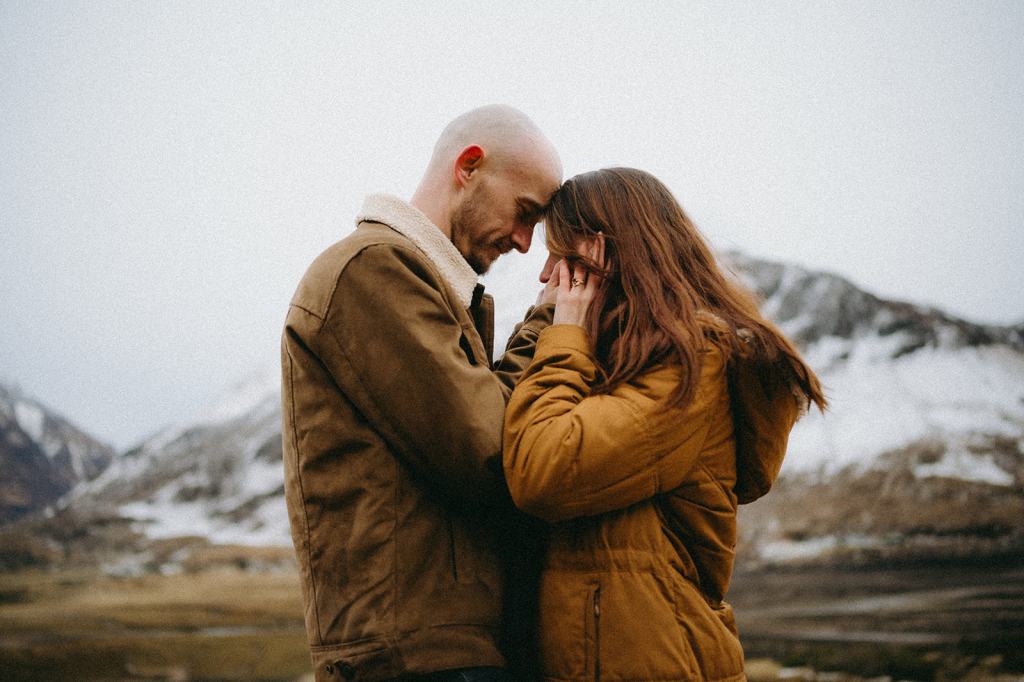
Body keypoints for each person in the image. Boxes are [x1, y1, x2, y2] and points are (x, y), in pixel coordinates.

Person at [503, 168, 827, 681]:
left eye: (559, 254)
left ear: (603, 256)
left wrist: (564, 332)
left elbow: (543, 469)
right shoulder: (616, 363)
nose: (545, 275)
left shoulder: (690, 364)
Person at [280, 105, 561, 682]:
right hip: (416, 656)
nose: (526, 243)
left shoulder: (419, 281)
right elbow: (493, 448)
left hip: (437, 648)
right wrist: (552, 324)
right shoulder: (372, 269)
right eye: (524, 213)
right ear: (470, 166)